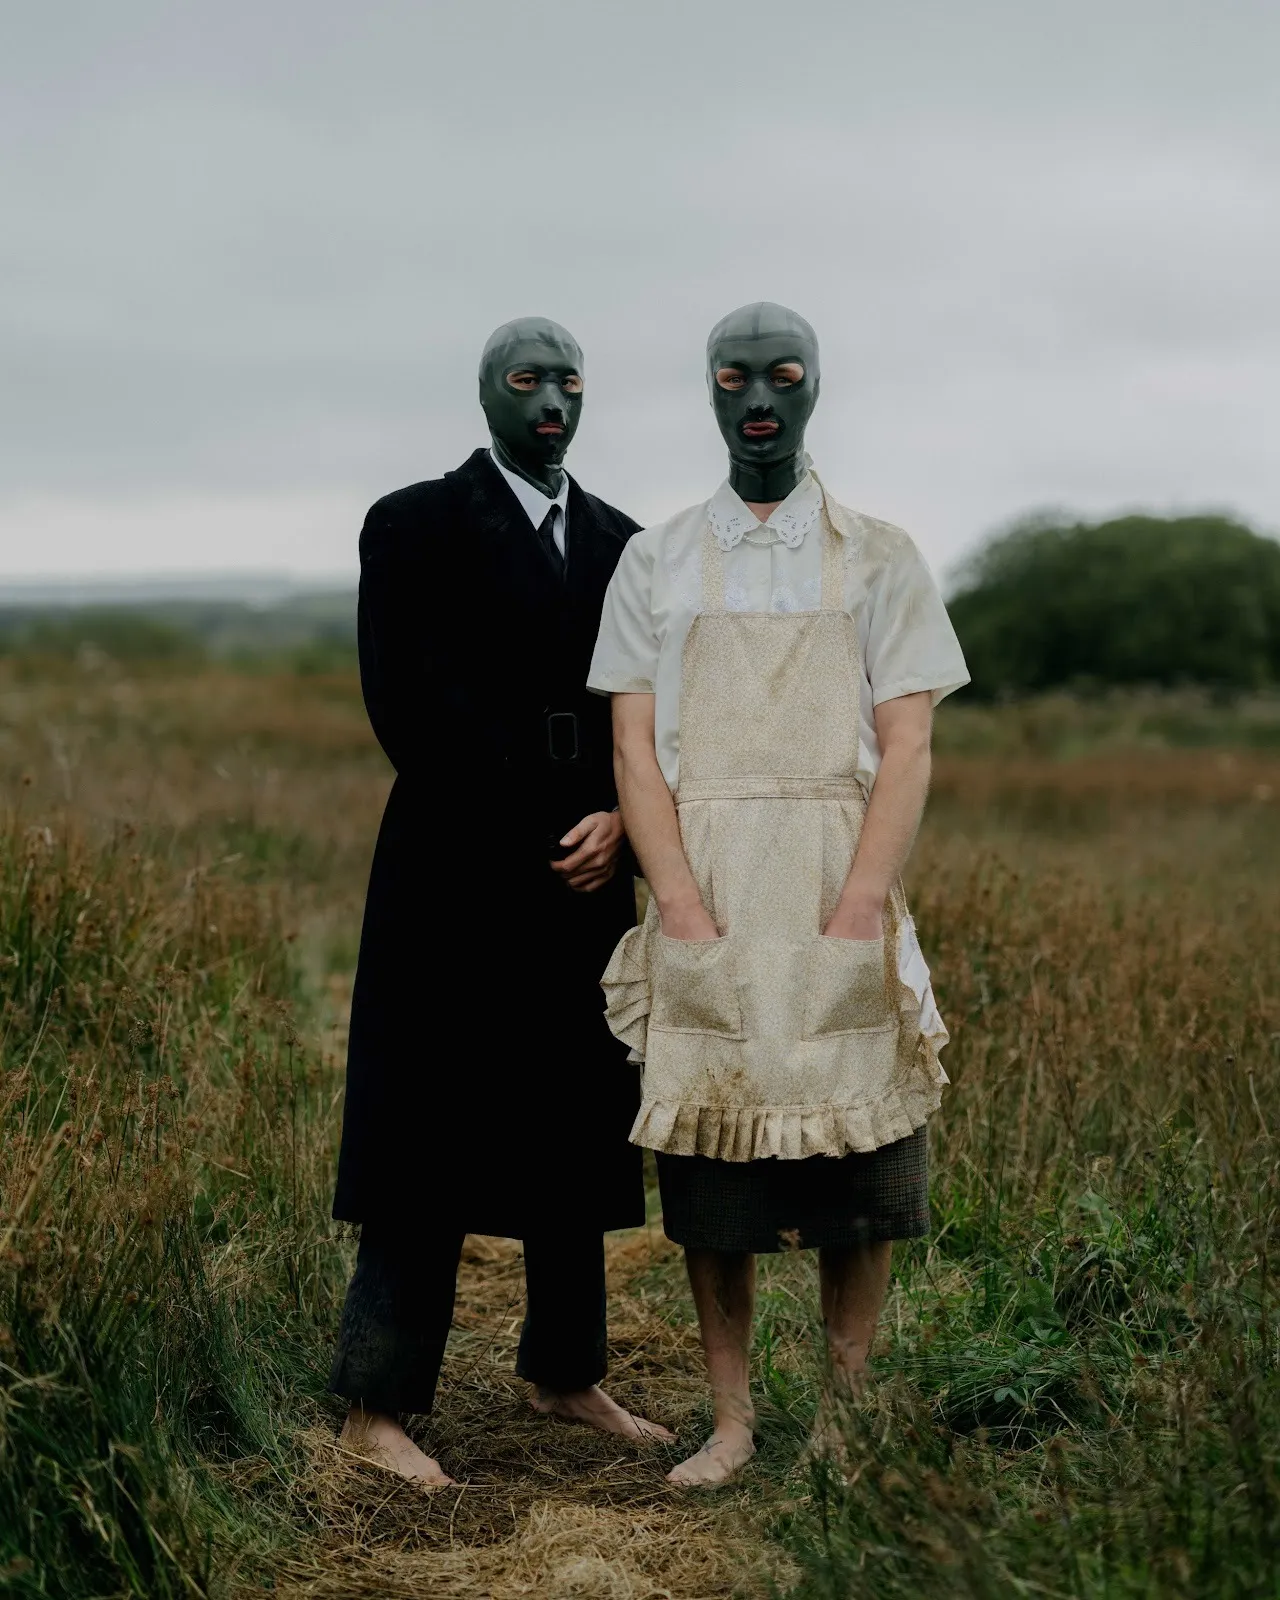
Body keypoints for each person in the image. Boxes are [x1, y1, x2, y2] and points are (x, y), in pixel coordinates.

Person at [587, 302, 969, 1486]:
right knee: (713, 1168)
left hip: (830, 870)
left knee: (864, 1153)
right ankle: (734, 1420)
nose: (758, 399)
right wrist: (679, 901)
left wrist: (863, 898)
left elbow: (904, 744)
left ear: (811, 390)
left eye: (782, 376)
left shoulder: (881, 554)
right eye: (734, 378)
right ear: (708, 393)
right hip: (706, 873)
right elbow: (632, 749)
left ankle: (847, 1417)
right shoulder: (655, 559)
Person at [330, 316, 672, 1487]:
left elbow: (650, 710)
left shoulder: (628, 543)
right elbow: (405, 707)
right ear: (487, 395)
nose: (550, 401)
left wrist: (626, 823)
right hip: (451, 867)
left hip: (588, 869)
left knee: (575, 1120)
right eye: (526, 381)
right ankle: (377, 1402)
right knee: (423, 1127)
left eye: (567, 381)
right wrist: (540, 824)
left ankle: (564, 1368)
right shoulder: (414, 523)